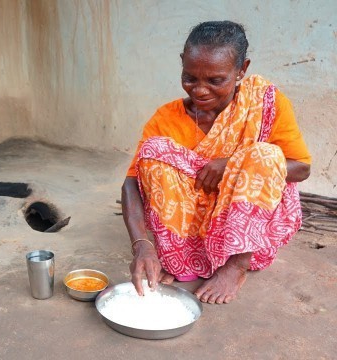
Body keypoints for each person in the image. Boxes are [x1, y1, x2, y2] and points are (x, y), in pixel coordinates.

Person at [121, 21, 311, 304]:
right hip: (193, 222)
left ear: (241, 70)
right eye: (190, 78)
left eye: (215, 80)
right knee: (153, 149)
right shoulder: (167, 116)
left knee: (264, 154)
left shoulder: (264, 102)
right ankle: (182, 257)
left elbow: (301, 168)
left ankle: (236, 265)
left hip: (245, 224)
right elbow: (132, 182)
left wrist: (232, 164)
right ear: (182, 64)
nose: (199, 90)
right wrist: (142, 246)